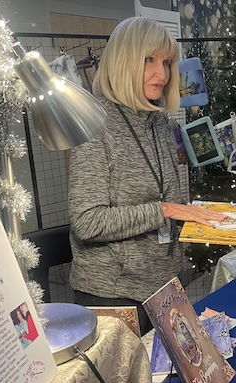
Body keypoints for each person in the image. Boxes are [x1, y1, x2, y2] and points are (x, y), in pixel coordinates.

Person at [68, 17, 225, 334]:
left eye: (166, 62)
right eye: (148, 60)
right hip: (113, 298)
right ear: (124, 62)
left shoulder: (161, 124)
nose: (163, 73)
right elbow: (87, 221)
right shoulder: (95, 127)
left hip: (164, 289)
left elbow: (168, 199)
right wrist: (165, 210)